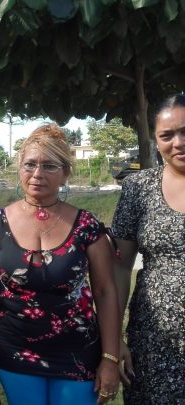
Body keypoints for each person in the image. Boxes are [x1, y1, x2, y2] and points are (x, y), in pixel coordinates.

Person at [0, 124, 121, 405]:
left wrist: (110, 358)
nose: (37, 174)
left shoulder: (87, 226)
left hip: (78, 350)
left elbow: (105, 292)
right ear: (19, 168)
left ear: (65, 173)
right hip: (15, 348)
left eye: (49, 166)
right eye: (30, 164)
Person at [112, 94, 185, 403]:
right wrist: (113, 337)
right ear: (156, 141)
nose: (178, 142)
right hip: (154, 339)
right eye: (167, 135)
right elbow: (119, 266)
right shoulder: (138, 188)